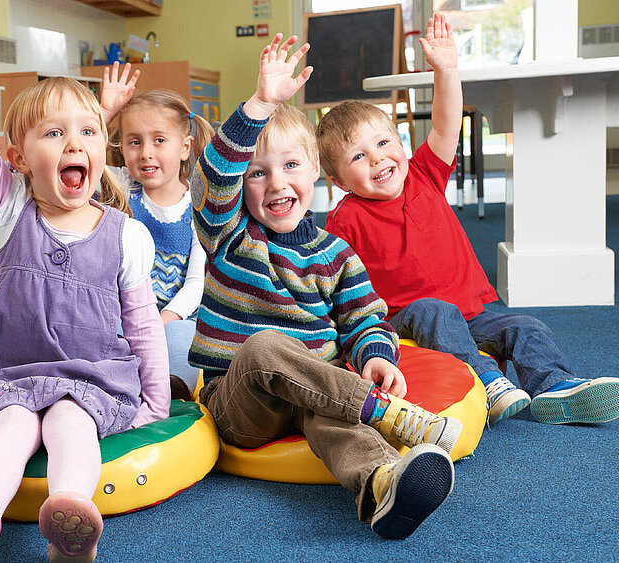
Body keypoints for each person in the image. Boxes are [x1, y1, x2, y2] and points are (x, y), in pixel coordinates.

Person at [192, 33, 463, 540]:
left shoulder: (336, 253)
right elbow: (214, 175)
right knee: (266, 347)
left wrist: (375, 356)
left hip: (318, 390)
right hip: (242, 401)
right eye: (257, 174)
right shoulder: (228, 236)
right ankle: (385, 413)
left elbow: (364, 319)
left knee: (333, 415)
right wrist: (259, 105)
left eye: (291, 165)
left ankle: (382, 484)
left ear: (316, 170)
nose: (277, 183)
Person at [0, 1, 170, 561]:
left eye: (87, 132)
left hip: (88, 378)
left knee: (70, 423)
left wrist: (155, 402)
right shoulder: (10, 207)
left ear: (103, 150)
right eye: (54, 134)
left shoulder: (128, 235)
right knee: (11, 425)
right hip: (10, 375)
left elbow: (142, 325)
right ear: (18, 158)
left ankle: (69, 525)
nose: (74, 144)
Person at [319, 14, 619, 426]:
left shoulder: (424, 174)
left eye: (384, 143)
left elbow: (445, 126)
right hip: (406, 319)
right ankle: (486, 382)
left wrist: (446, 70)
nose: (377, 159)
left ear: (401, 143)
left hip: (473, 314)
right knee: (435, 312)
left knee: (526, 327)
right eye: (358, 157)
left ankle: (555, 385)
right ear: (337, 181)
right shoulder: (345, 218)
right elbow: (329, 276)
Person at [97, 65, 215, 394]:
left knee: (184, 340)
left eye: (159, 140)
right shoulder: (119, 188)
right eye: (135, 142)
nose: (146, 153)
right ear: (122, 147)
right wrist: (105, 113)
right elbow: (83, 154)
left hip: (176, 317)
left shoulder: (200, 206)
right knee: (104, 329)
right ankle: (114, 383)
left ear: (185, 147)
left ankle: (173, 390)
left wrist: (161, 323)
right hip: (125, 313)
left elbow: (196, 283)